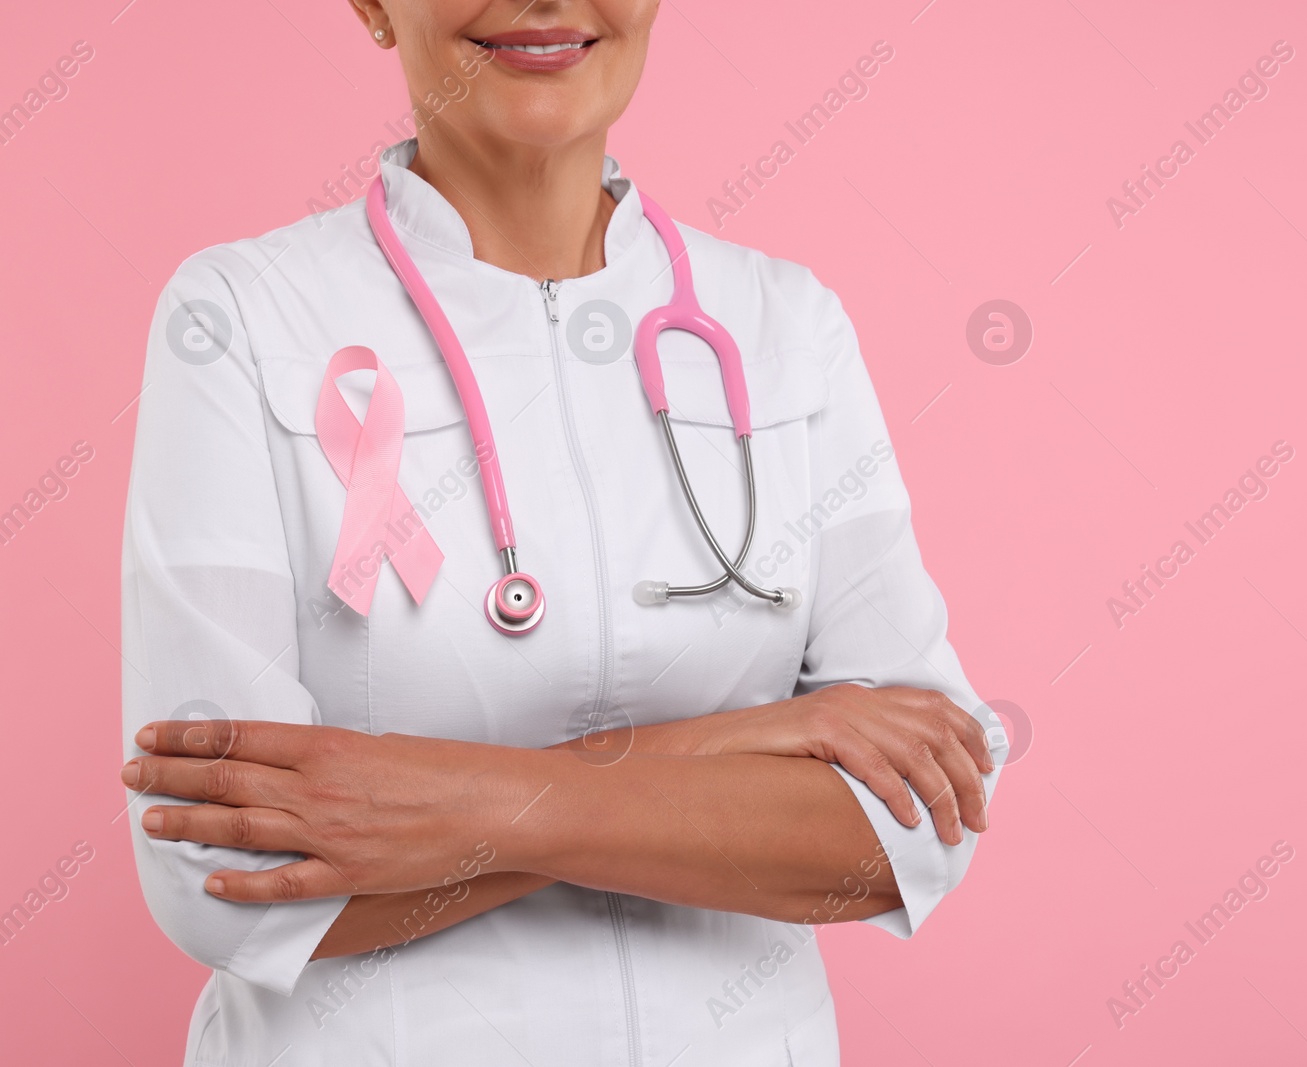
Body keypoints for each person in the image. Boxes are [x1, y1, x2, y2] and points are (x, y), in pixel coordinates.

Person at [119, 2, 1004, 1063]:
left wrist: (457, 805)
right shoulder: (242, 319)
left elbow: (914, 826)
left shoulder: (784, 324)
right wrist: (726, 744)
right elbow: (227, 883)